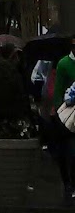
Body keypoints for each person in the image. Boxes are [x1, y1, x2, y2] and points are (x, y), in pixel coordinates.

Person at [53, 37, 75, 199]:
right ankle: (67, 181)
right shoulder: (64, 64)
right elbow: (58, 90)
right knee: (67, 149)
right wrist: (58, 111)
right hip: (68, 111)